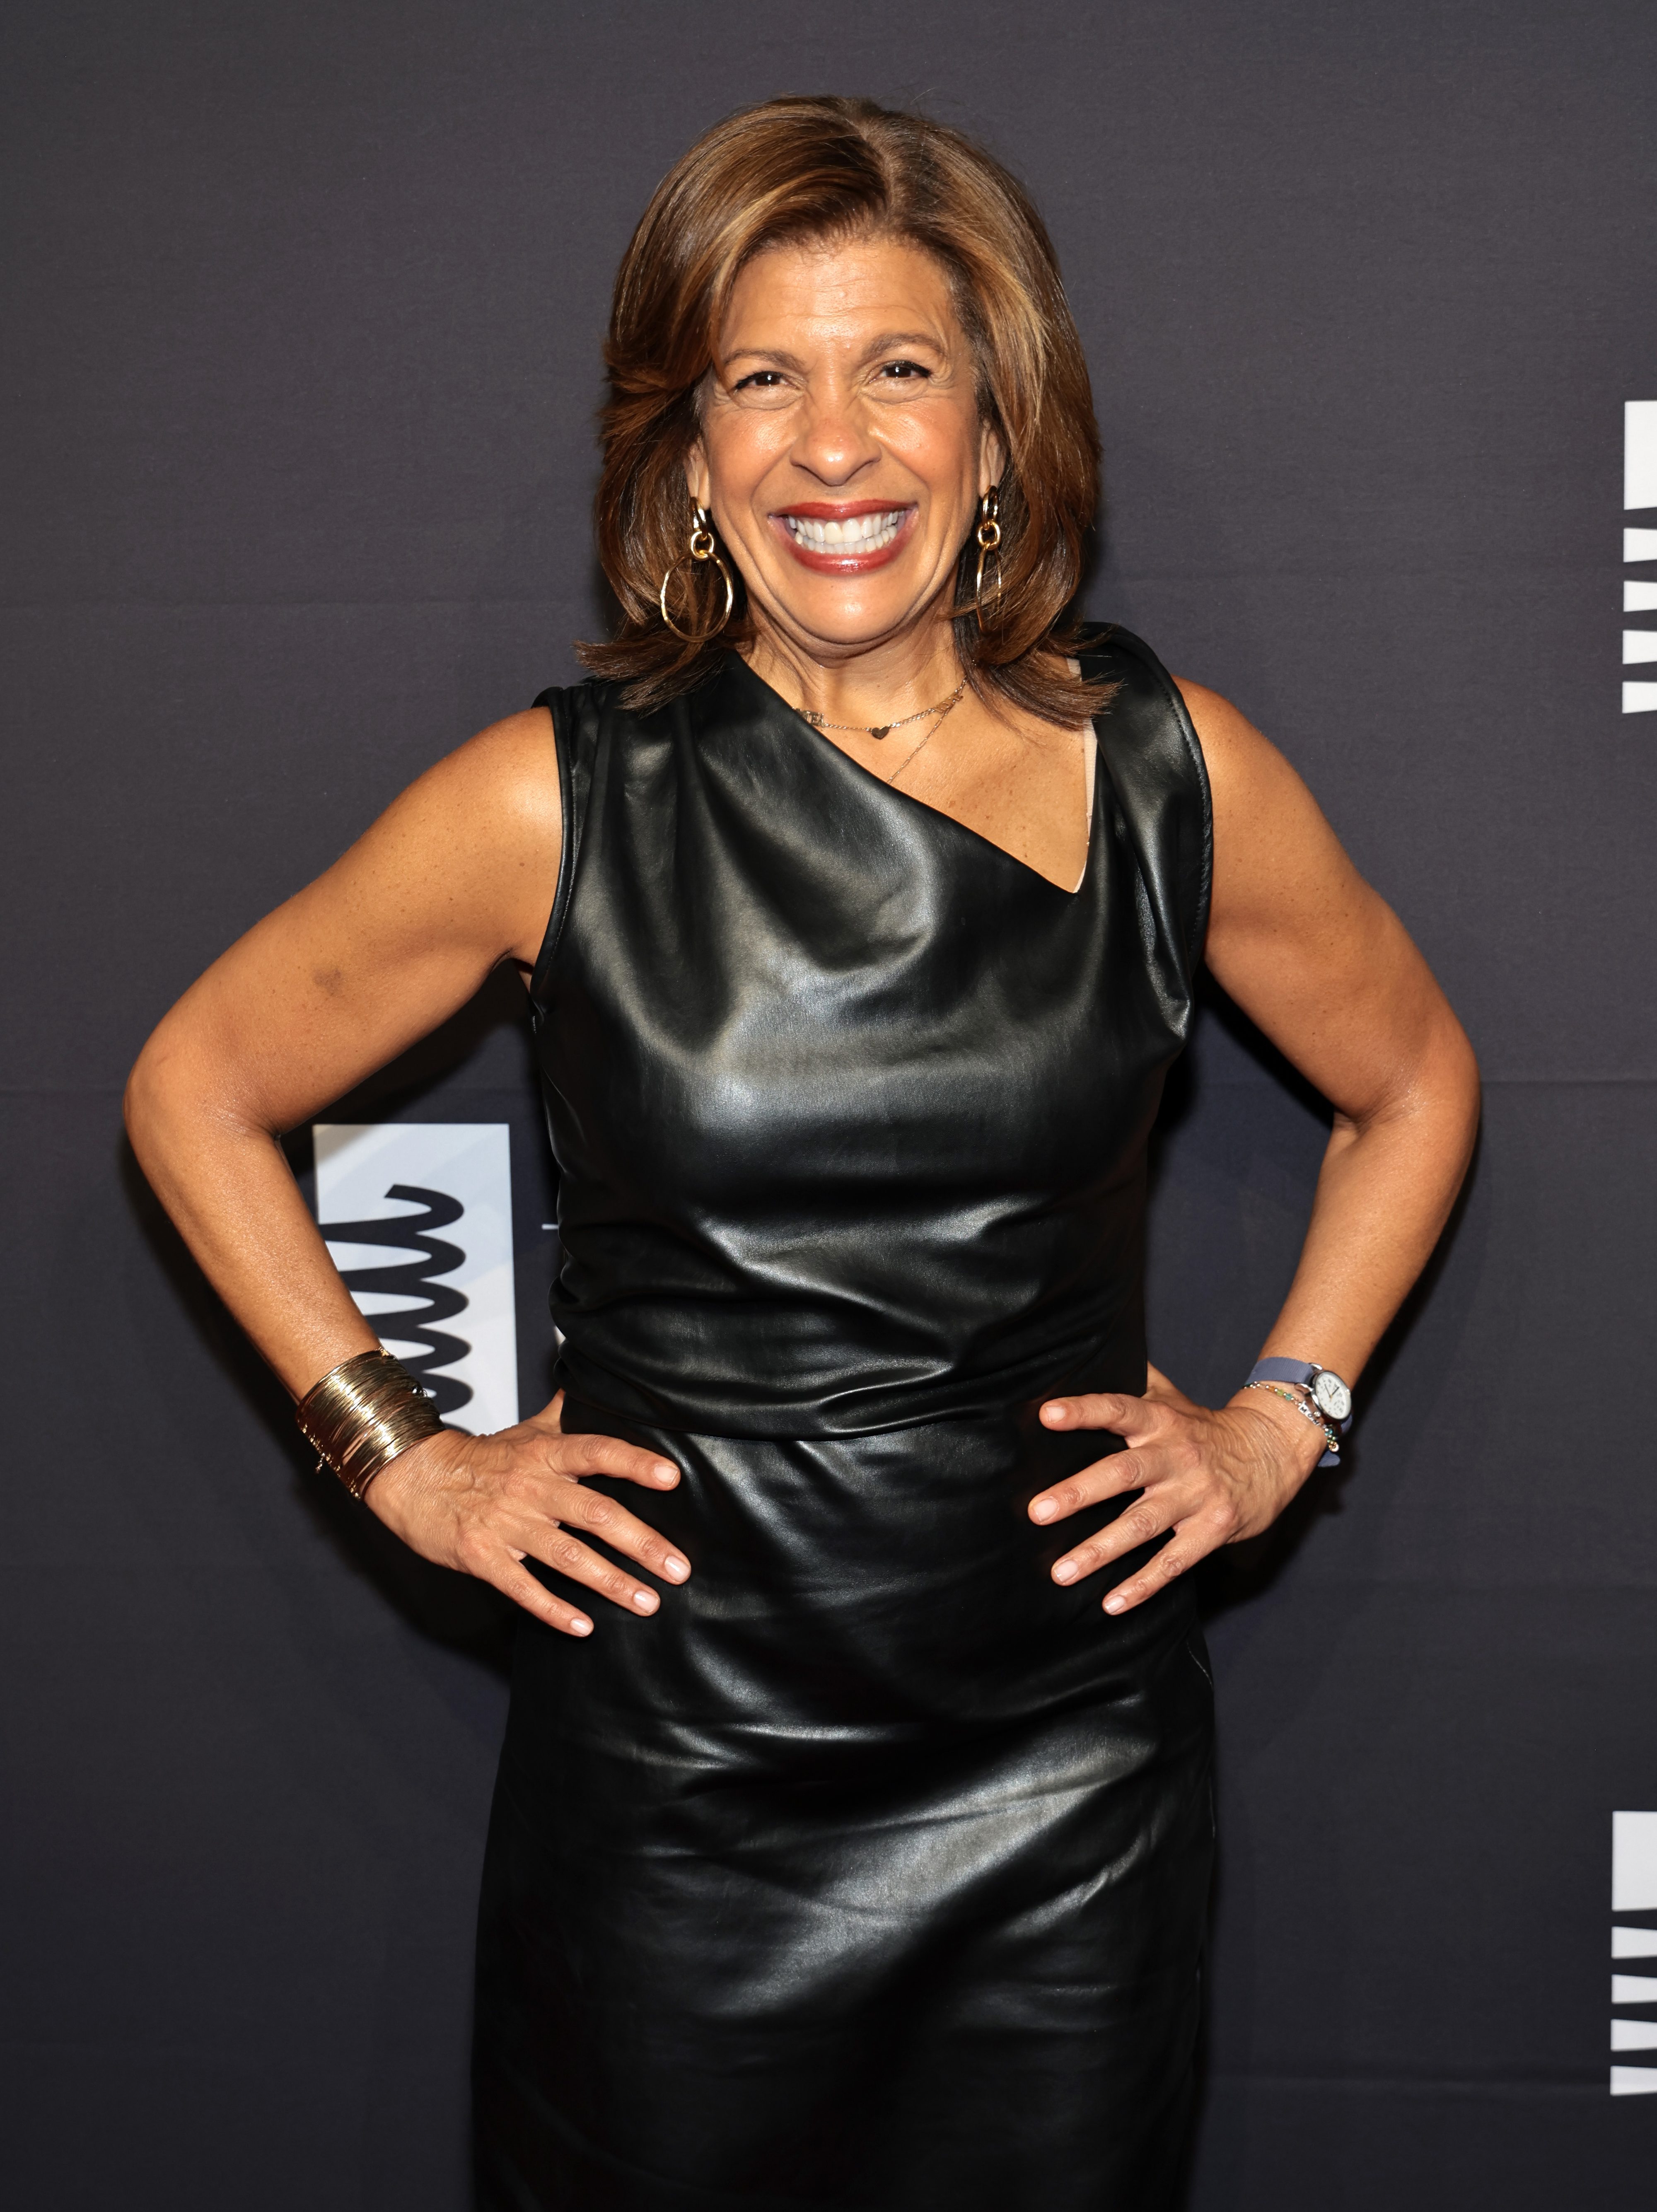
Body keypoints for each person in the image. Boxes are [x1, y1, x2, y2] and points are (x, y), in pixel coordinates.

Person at [126, 94, 1479, 2212]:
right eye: (764, 376)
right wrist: (403, 1452)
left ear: (998, 429)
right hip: (674, 1790)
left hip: (1064, 1781)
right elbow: (198, 1080)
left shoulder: (1168, 775)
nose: (831, 445)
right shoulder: (547, 803)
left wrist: (1277, 1423)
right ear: (685, 451)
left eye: (899, 370)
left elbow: (1413, 1081)